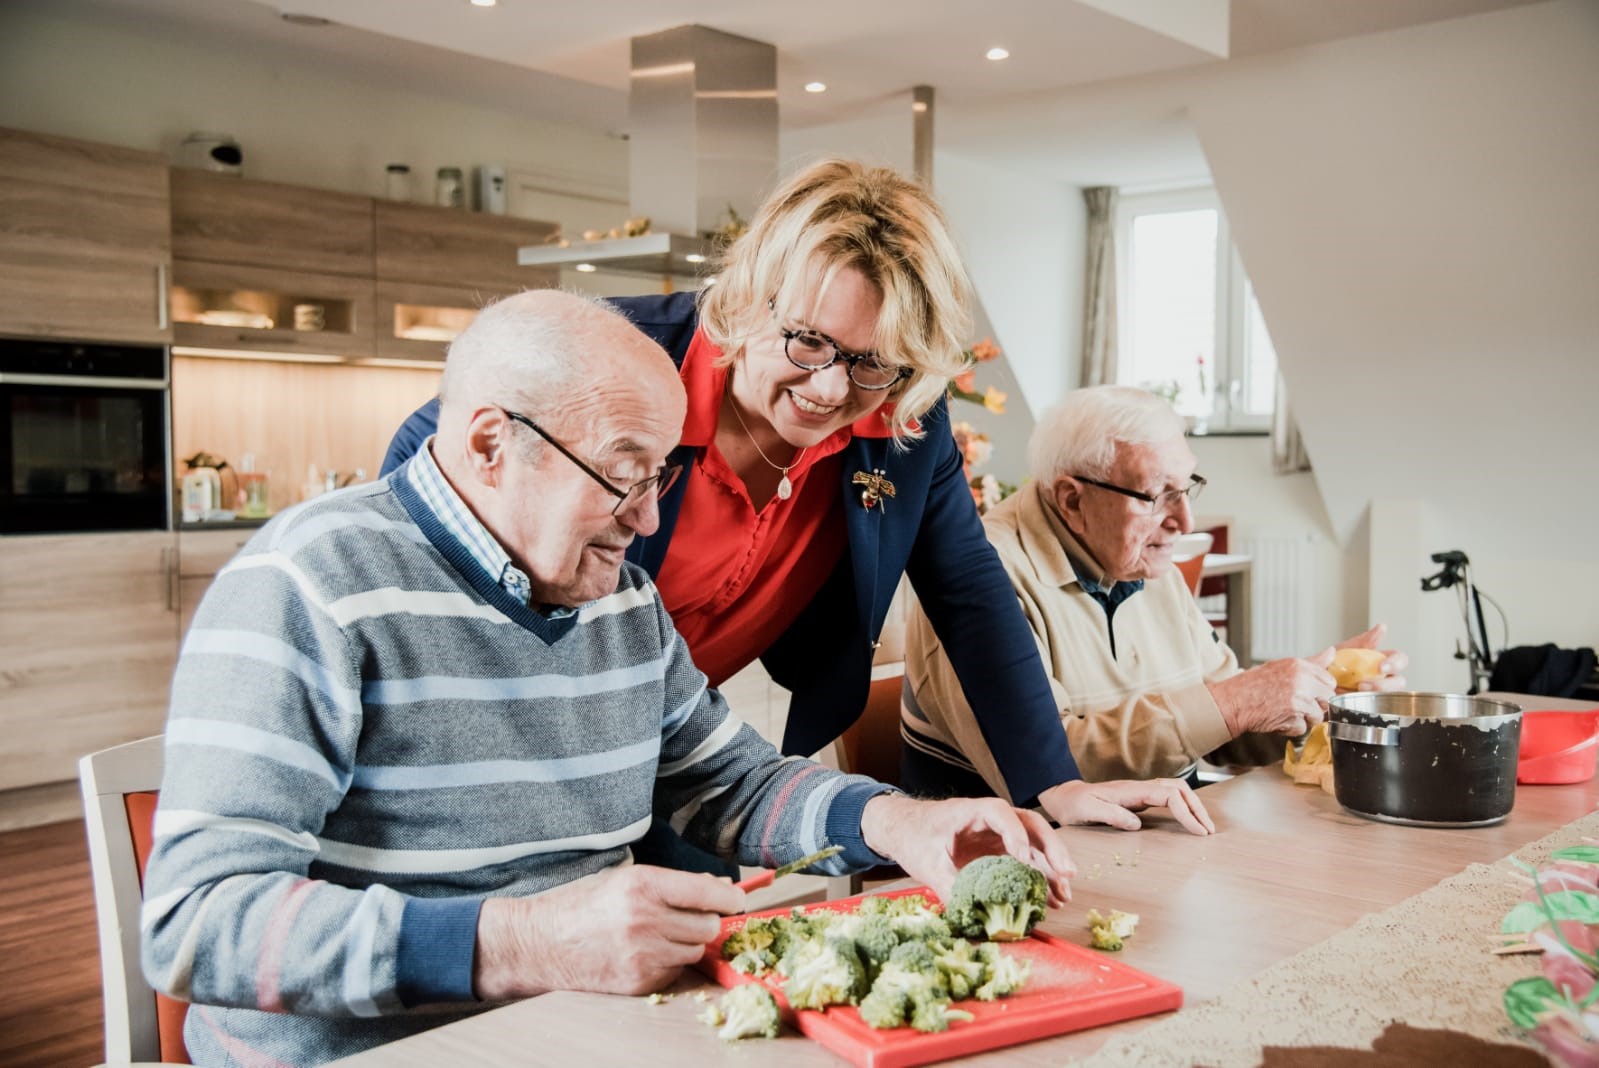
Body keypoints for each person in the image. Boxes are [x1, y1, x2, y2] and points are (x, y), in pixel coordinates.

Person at [141, 290, 1077, 1066]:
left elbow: (730, 784)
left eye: (661, 476)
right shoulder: (307, 582)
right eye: (622, 475)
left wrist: (896, 820)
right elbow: (196, 924)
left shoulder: (619, 600)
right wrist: (524, 942)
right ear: (488, 445)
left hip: (585, 1034)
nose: (646, 519)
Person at [383, 159, 1209, 840]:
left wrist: (1050, 784)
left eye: (871, 361)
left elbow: (967, 590)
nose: (828, 388)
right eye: (808, 341)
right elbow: (431, 452)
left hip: (681, 743)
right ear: (751, 297)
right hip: (516, 743)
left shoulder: (897, 414)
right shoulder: (621, 368)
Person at [901, 385, 1409, 792]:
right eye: (1156, 495)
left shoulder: (1141, 562)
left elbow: (1224, 724)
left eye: (1186, 488)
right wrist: (1235, 703)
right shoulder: (978, 579)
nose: (1184, 520)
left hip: (1155, 849)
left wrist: (1319, 694)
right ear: (1073, 501)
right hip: (1030, 862)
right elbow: (1050, 768)